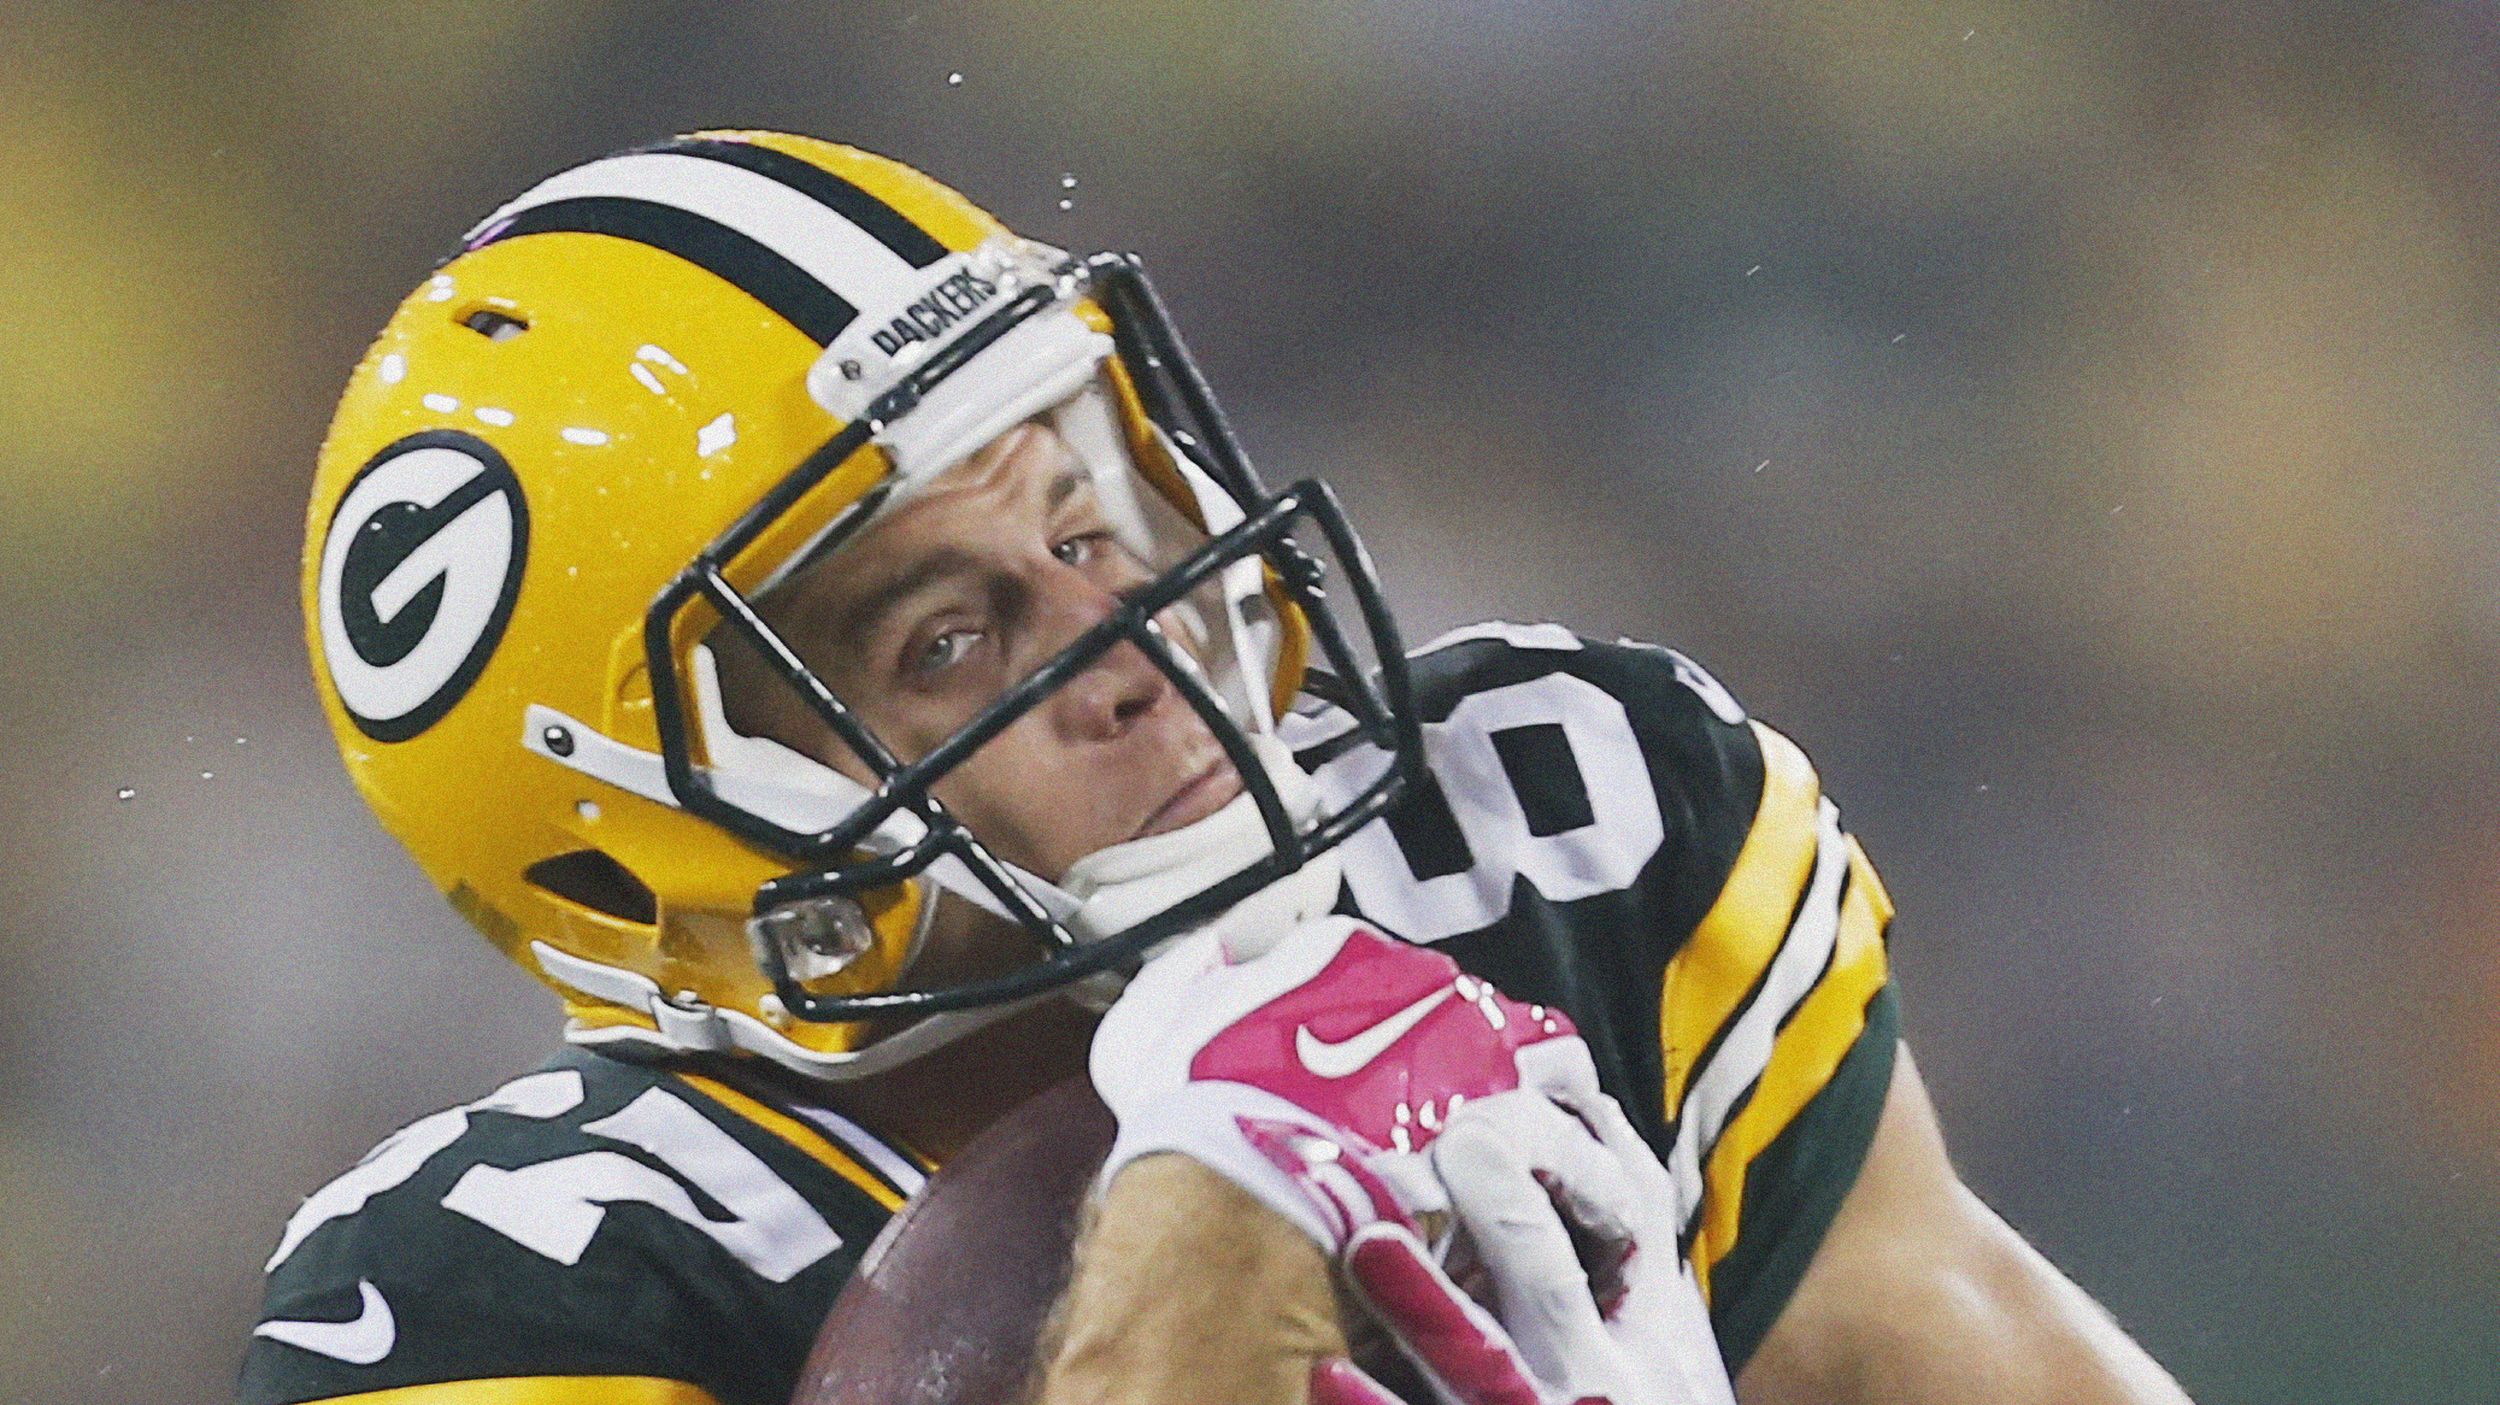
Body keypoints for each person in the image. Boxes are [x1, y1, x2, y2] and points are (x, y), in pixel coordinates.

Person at [247, 130, 2192, 1405]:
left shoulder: (1561, 837)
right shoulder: (510, 1300)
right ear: (642, 857)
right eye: (945, 634)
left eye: (1082, 519)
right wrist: (1182, 1291)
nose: (1126, 646)